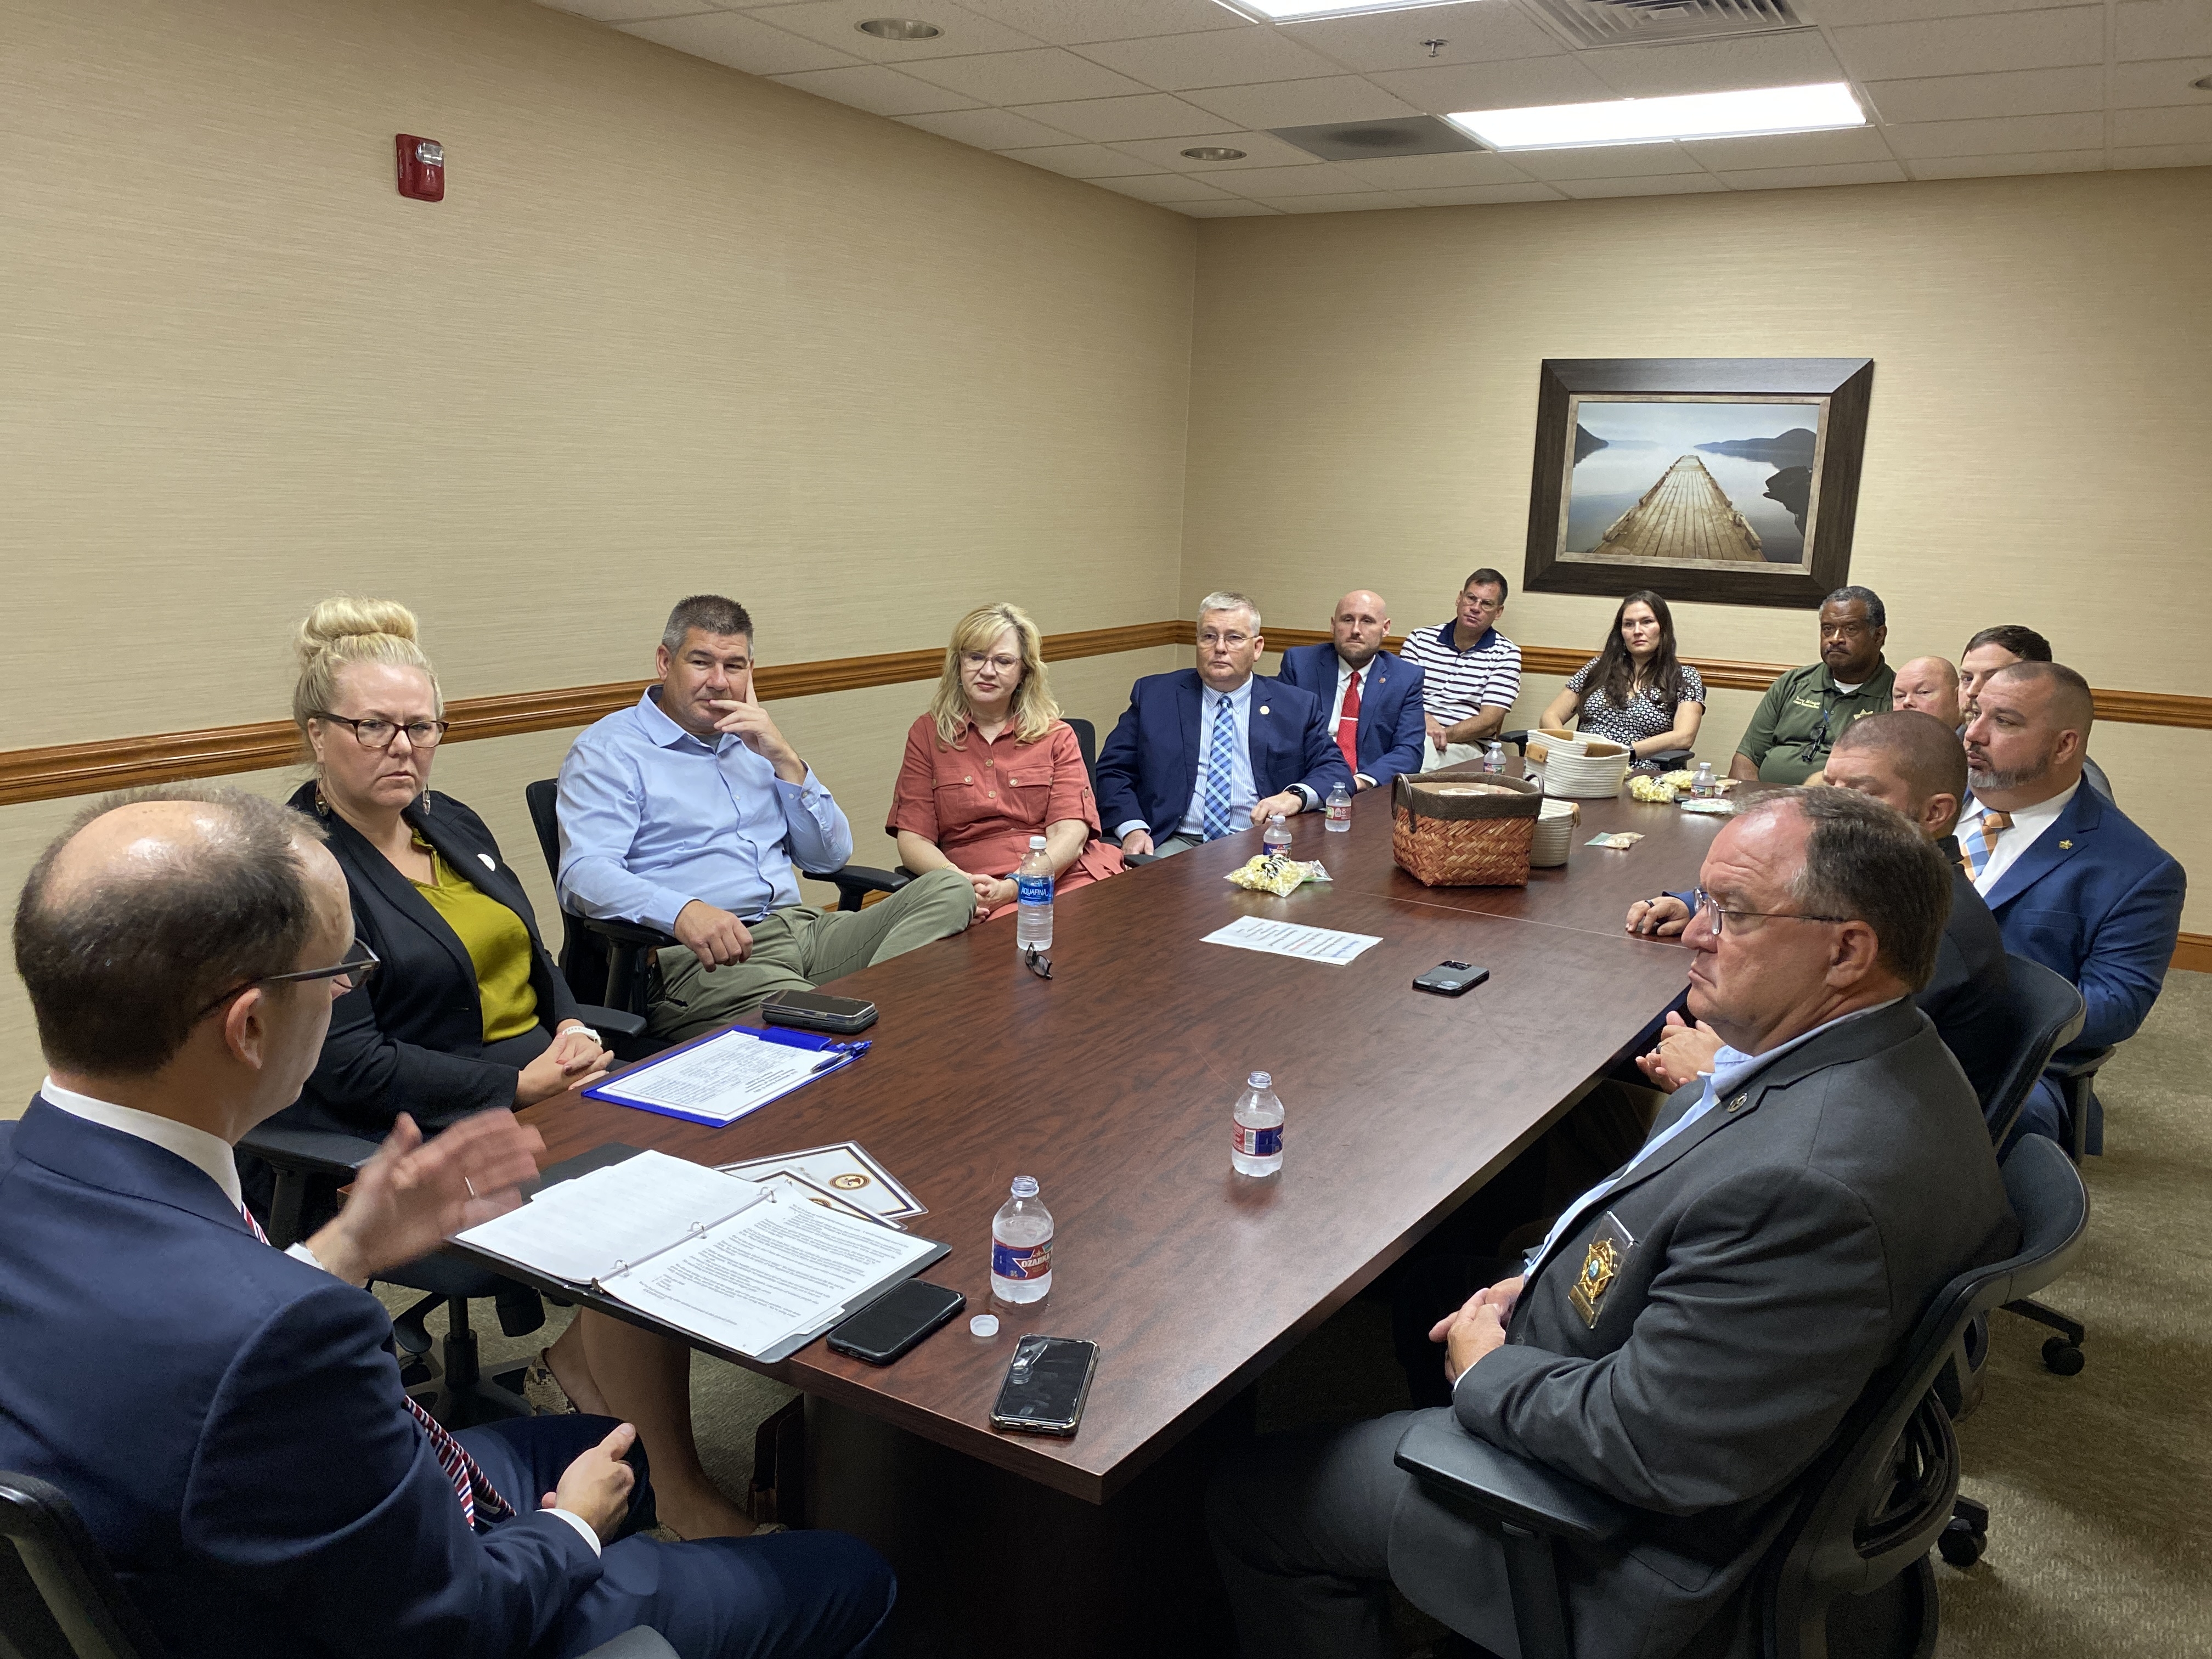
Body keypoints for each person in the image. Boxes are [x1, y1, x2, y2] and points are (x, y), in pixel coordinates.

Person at [0, 787, 894, 1659]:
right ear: (249, 1026)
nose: (350, 986)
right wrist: (571, 1523)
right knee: (852, 1569)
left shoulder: (25, 1163)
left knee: (608, 1445)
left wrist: (343, 1250)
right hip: (419, 1611)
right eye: (337, 973)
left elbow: (195, 1356)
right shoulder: (281, 1338)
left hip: (216, 1540)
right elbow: (460, 1619)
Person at [1208, 789, 2017, 1659]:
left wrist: (1487, 1377)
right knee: (1430, 1296)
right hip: (1701, 1405)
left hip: (1629, 1548)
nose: (1696, 934)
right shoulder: (1892, 1053)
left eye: (1733, 914)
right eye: (1704, 903)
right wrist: (1556, 1268)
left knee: (1250, 1500)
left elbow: (1653, 1449)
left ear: (1847, 950)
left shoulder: (1808, 1187)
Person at [266, 597, 756, 1543]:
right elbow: (352, 1061)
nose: (401, 747)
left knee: (697, 1159)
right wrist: (516, 1084)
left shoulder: (450, 820)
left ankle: (591, 1365)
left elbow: (539, 958)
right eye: (373, 725)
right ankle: (681, 1487)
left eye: (421, 725)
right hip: (429, 1131)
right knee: (644, 1213)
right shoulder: (302, 866)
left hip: (546, 1084)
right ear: (315, 735)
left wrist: (570, 1029)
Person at [558, 595, 975, 1043]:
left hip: (801, 931)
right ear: (665, 662)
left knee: (950, 888)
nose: (718, 682)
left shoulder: (754, 741)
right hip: (706, 963)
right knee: (827, 1023)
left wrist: (784, 759)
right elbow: (583, 874)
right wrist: (682, 911)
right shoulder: (609, 751)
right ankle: (863, 1022)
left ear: (751, 672)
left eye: (734, 667)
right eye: (701, 662)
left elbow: (828, 858)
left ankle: (867, 1017)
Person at [1629, 710, 2016, 1118]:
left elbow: (1850, 1087)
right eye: (1830, 787)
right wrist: (1699, 902)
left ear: (1934, 813)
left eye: (1861, 795)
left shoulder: (1931, 928)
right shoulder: (1890, 888)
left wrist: (1721, 1067)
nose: (1829, 809)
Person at [1959, 661, 2184, 1146]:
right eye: (1975, 713)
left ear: (2066, 744)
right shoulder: (1928, 799)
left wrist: (1964, 1002)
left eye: (2004, 721)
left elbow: (2115, 1006)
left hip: (2009, 1056)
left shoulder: (2136, 870)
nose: (1972, 734)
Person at [888, 602, 1121, 922]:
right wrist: (959, 882)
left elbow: (1070, 834)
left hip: (1062, 877)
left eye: (1003, 661)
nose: (987, 671)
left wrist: (1016, 885)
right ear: (958, 664)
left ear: (1024, 672)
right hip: (974, 887)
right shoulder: (928, 734)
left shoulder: (1057, 735)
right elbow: (913, 839)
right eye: (975, 657)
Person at [1095, 591, 1351, 859]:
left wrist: (1294, 797)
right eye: (1209, 636)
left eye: (1234, 638)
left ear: (1257, 648)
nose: (1220, 648)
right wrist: (1132, 830)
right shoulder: (1155, 696)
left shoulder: (1295, 706)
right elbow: (1113, 771)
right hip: (1175, 841)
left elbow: (1335, 770)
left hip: (1261, 841)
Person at [1730, 585, 1894, 786]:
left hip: (1837, 812)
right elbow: (1746, 759)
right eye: (1828, 629)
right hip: (1766, 806)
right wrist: (1756, 809)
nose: (1835, 639)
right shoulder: (1792, 683)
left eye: (1850, 629)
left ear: (1878, 636)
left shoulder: (1898, 696)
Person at [1273, 589, 1426, 791]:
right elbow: (1281, 737)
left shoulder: (1405, 678)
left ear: (1385, 627)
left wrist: (1355, 783)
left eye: (1367, 621)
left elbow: (1409, 751)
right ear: (1333, 625)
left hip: (1369, 789)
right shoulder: (1300, 665)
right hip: (1306, 784)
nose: (1355, 630)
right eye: (1347, 620)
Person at [1538, 589, 1706, 760]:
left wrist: (1621, 753)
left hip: (1640, 771)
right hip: (1583, 763)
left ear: (1663, 628)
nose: (1637, 631)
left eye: (1647, 622)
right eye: (1629, 624)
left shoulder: (1684, 676)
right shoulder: (1599, 667)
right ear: (1621, 632)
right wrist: (1569, 749)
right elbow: (1550, 716)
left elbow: (1684, 737)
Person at [1958, 624, 2112, 799]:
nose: (1972, 691)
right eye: (1967, 678)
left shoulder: (2082, 785)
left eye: (1994, 678)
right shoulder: (1951, 747)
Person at [1399, 568, 1522, 771]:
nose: (1476, 608)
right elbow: (1399, 698)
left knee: (1416, 761)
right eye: (1471, 598)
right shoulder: (1420, 640)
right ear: (1459, 598)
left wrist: (1440, 735)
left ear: (1498, 612)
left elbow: (1489, 722)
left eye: (1487, 604)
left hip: (1464, 746)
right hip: (1410, 733)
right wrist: (1423, 721)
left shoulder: (1506, 654)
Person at [1891, 654, 1962, 729]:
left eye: (1923, 692)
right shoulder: (1886, 739)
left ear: (1957, 697)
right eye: (1900, 696)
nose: (1907, 702)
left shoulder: (1972, 739)